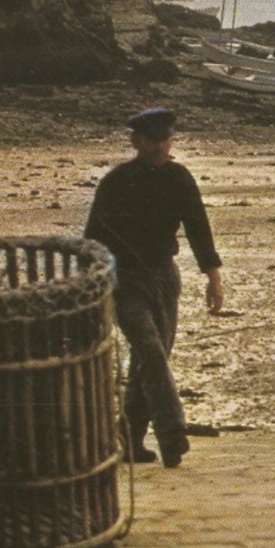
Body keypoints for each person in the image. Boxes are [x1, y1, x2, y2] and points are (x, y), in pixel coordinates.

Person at [83, 107, 224, 468]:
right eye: (153, 140)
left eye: (166, 139)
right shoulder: (115, 182)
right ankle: (172, 432)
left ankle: (128, 439)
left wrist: (213, 276)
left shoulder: (180, 178)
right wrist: (92, 285)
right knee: (150, 350)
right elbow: (92, 239)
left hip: (163, 276)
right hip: (124, 280)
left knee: (152, 356)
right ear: (136, 141)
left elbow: (198, 227)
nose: (160, 146)